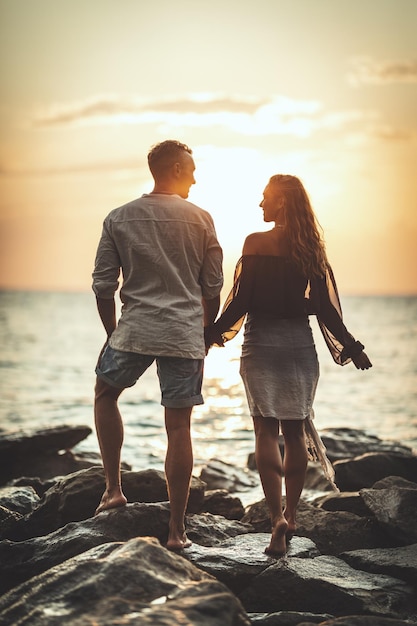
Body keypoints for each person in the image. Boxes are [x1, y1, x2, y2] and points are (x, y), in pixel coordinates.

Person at [205, 174, 371, 557]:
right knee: (295, 434)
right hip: (299, 346)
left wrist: (209, 335)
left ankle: (275, 516)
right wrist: (352, 347)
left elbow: (241, 301)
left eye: (265, 198)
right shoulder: (310, 248)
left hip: (261, 344)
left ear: (281, 202)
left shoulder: (254, 242)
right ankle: (292, 517)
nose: (260, 205)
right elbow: (326, 309)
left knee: (264, 431)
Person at [92, 140, 223, 551]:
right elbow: (213, 286)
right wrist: (205, 330)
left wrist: (112, 331)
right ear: (177, 168)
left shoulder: (119, 217)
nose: (196, 177)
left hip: (136, 328)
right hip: (184, 332)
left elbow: (103, 284)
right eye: (192, 169)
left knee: (105, 394)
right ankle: (177, 531)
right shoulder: (201, 219)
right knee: (179, 426)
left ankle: (113, 488)